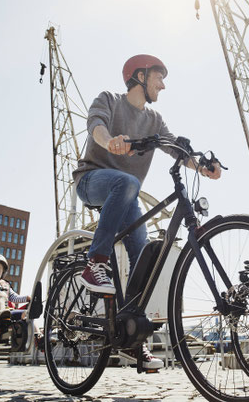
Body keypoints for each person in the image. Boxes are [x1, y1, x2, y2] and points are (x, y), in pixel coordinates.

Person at [72, 54, 221, 369]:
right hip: (92, 181)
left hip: (125, 195)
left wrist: (203, 166)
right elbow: (95, 125)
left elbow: (174, 148)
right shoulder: (110, 99)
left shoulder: (154, 120)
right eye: (159, 77)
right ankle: (94, 262)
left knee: (143, 256)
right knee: (127, 183)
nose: (163, 85)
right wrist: (110, 141)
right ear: (140, 76)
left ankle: (130, 338)